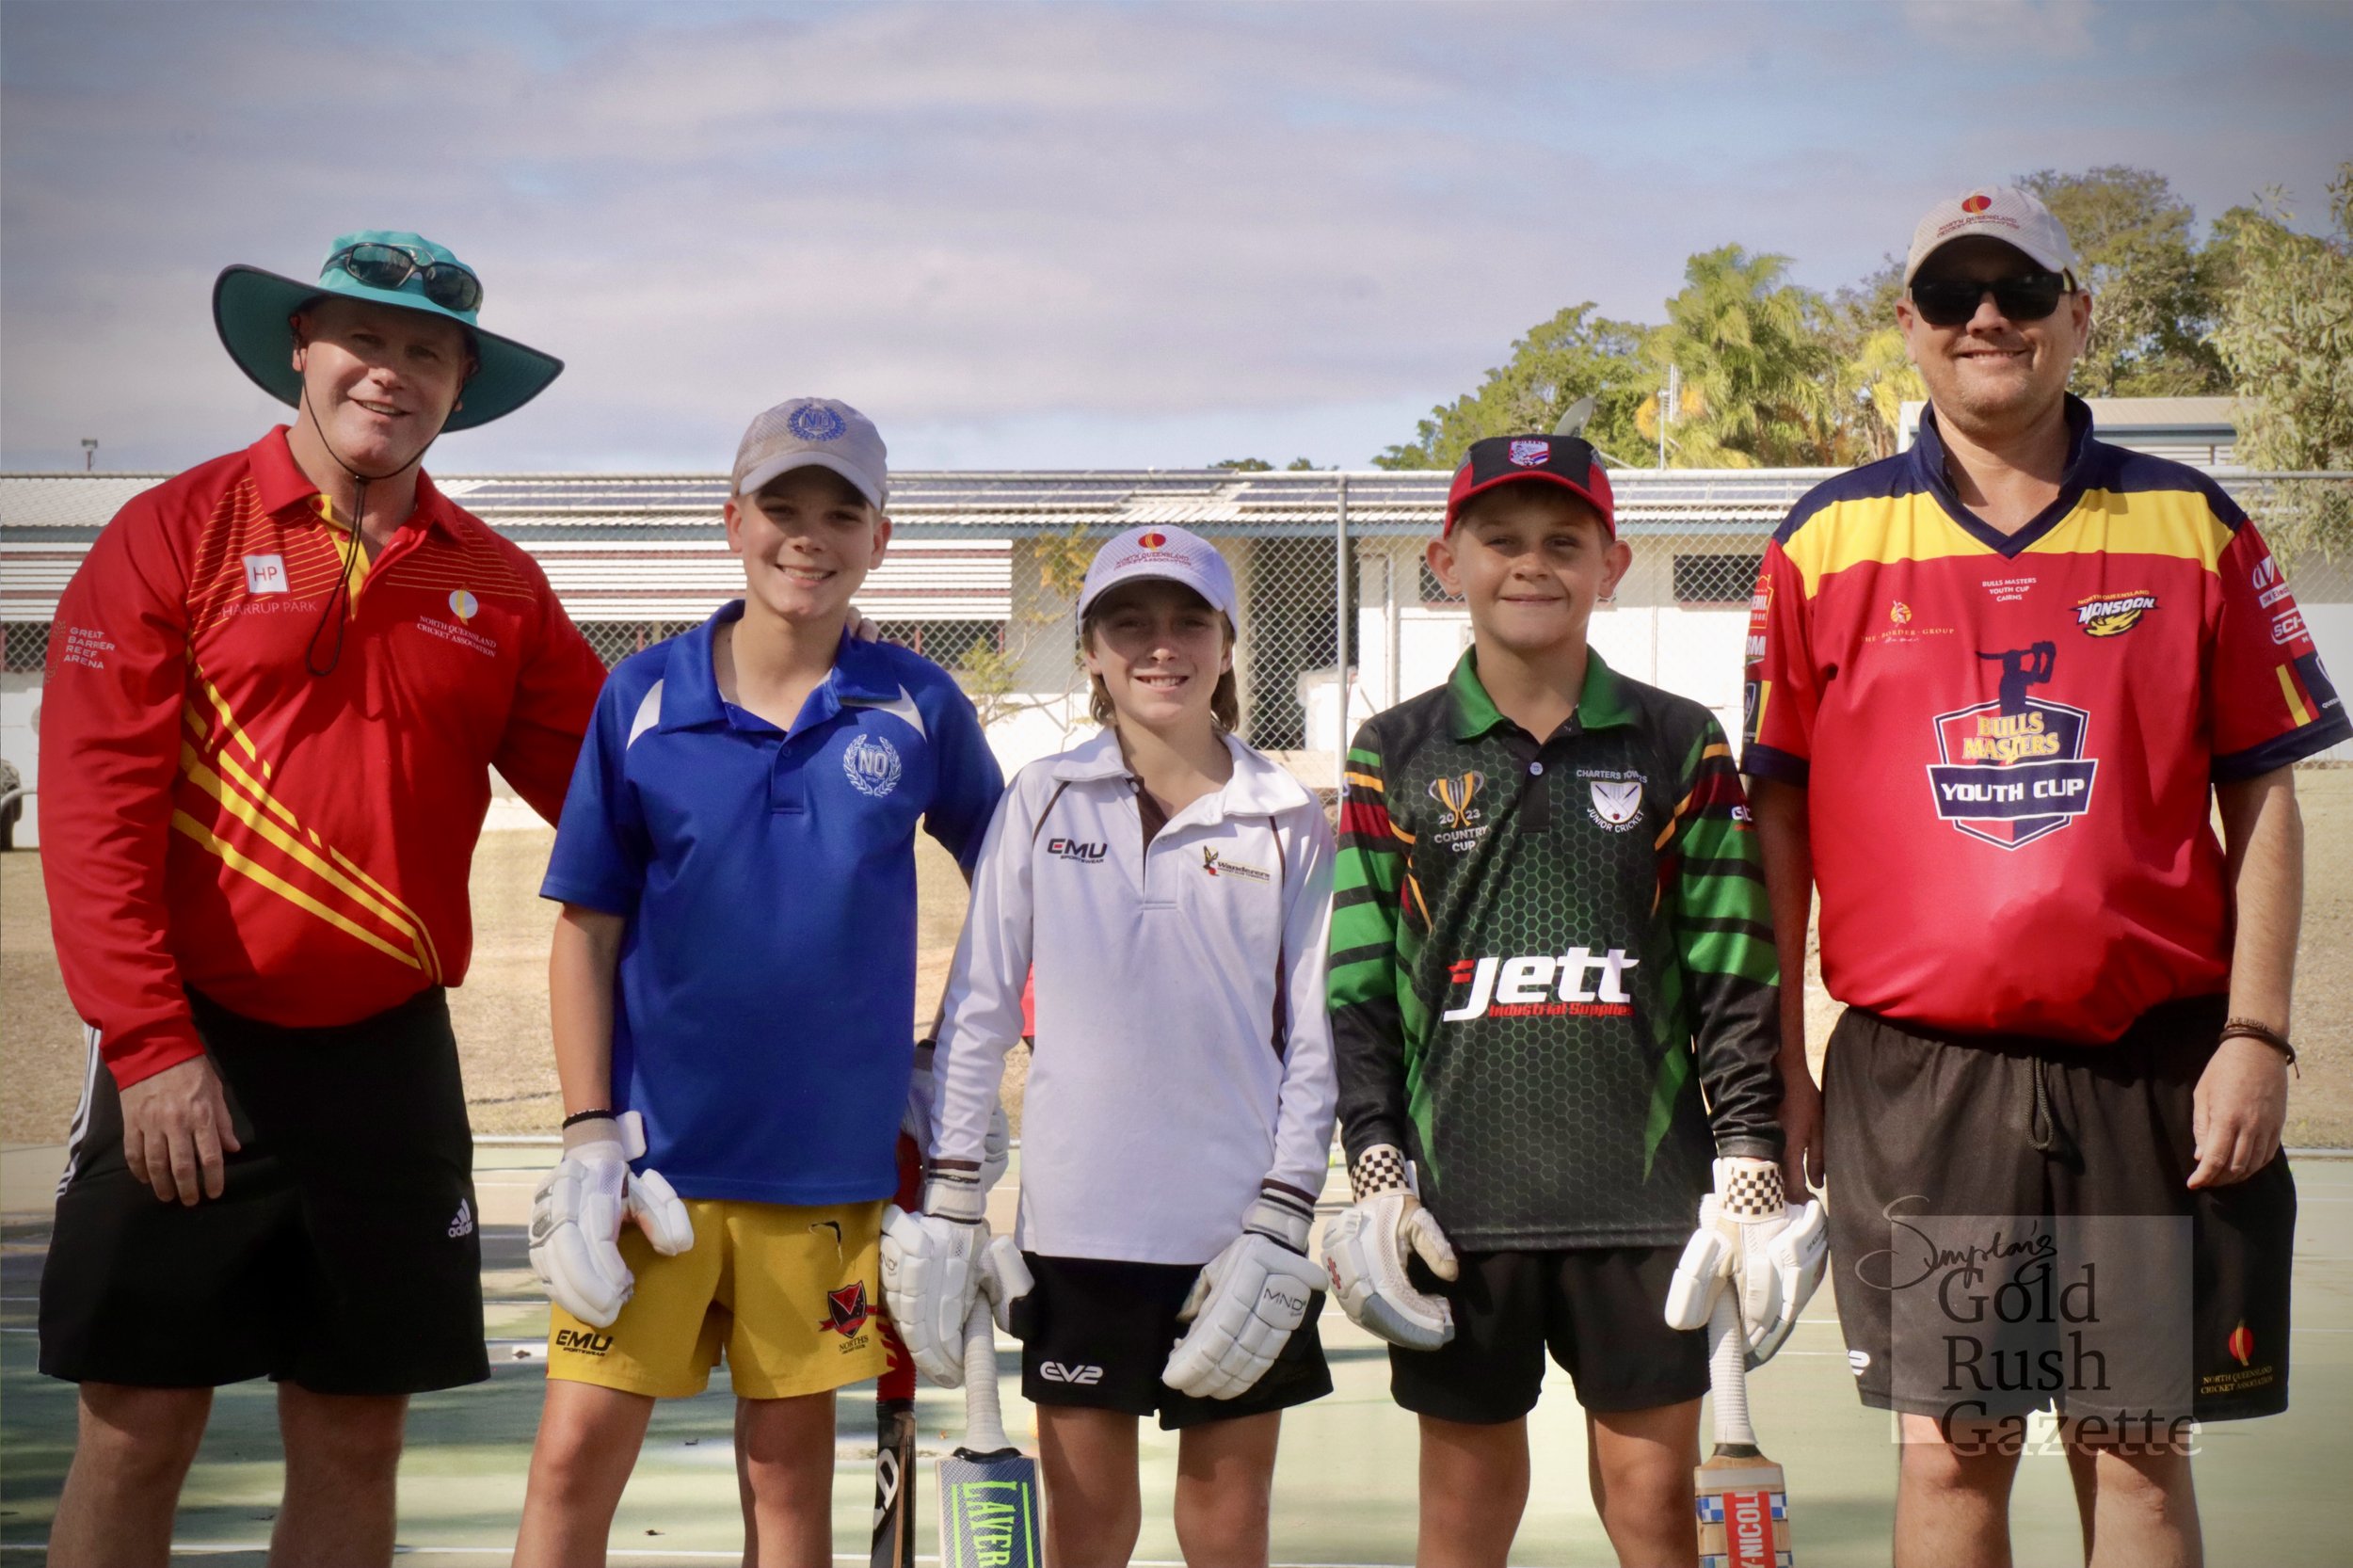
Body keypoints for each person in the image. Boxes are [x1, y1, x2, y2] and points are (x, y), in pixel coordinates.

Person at [1742, 184, 2345, 1568]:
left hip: (2149, 1066)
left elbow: (2264, 787)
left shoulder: (2190, 525)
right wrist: (1784, 1061)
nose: (1988, 318)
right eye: (1953, 295)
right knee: (1955, 1457)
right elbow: (1776, 817)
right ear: (1909, 326)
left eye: (2020, 287)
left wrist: (2256, 1034)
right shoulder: (1825, 541)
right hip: (1927, 1079)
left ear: (2081, 313)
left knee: (2134, 1453)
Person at [35, 232, 601, 1568]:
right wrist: (153, 1044)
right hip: (192, 1049)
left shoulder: (500, 582)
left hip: (387, 1058)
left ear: (460, 382)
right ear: (303, 346)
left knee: (355, 1430)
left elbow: (627, 798)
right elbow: (93, 813)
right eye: (364, 338)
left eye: (425, 351)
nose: (389, 373)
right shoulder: (173, 531)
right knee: (139, 1420)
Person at [510, 398, 1005, 1567]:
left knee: (786, 1483)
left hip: (826, 1170)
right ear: (732, 521)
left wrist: (952, 1059)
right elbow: (584, 927)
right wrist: (588, 1134)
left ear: (881, 539)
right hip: (648, 1175)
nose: (808, 536)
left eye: (842, 512)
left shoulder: (919, 703)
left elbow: (1021, 888)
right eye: (782, 507)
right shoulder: (639, 698)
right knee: (574, 1458)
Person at [1321, 437, 1806, 1568]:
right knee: (1460, 1524)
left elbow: (1735, 959)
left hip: (1641, 1199)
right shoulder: (1390, 752)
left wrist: (1746, 1153)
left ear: (1612, 563)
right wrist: (1378, 1162)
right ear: (1447, 560)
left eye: (1561, 542)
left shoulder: (1681, 742)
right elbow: (1356, 983)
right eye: (1499, 541)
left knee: (1651, 1517)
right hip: (1458, 1202)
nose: (1529, 566)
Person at [883, 525, 1338, 1567]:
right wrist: (955, 1193)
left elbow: (1316, 1038)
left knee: (1228, 1533)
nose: (1158, 645)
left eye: (1187, 621)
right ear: (1090, 648)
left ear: (1228, 643)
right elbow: (980, 1006)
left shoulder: (1284, 817)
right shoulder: (1043, 795)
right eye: (1127, 622)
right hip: (1078, 1227)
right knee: (1088, 1533)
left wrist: (1283, 1215)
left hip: (1236, 1235)